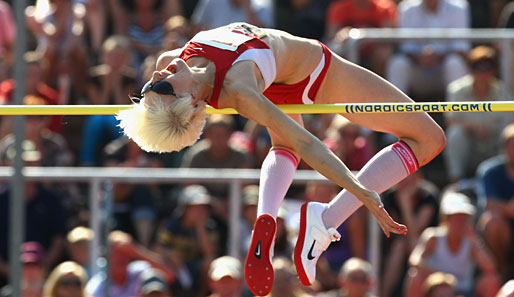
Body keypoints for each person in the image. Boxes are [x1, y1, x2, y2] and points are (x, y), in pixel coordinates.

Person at [116, 22, 446, 296]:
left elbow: (297, 142)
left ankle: (268, 217)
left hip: (273, 81)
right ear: (188, 97)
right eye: (163, 85)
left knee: (283, 143)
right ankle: (327, 219)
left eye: (151, 85)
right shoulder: (239, 90)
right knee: (430, 139)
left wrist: (157, 89)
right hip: (315, 76)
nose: (159, 74)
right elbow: (310, 145)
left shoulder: (173, 62)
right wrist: (362, 194)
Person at [405, 192, 501, 297]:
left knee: (492, 280)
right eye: (457, 217)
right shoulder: (433, 236)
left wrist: (475, 242)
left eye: (464, 217)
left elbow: (491, 268)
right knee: (414, 276)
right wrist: (441, 277)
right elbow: (414, 260)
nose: (462, 221)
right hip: (437, 288)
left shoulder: (471, 241)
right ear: (446, 219)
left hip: (463, 290)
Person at [444, 45, 512, 182]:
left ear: (494, 71)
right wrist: (473, 127)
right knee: (455, 134)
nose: (483, 74)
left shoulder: (503, 91)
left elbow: (511, 125)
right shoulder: (457, 90)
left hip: (495, 145)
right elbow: (451, 120)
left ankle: (507, 181)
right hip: (469, 146)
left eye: (488, 68)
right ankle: (456, 182)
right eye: (478, 68)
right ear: (470, 70)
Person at [385, 0, 470, 100]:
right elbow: (405, 47)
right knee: (398, 63)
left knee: (454, 62)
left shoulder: (459, 7)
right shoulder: (407, 8)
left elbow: (461, 48)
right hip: (417, 71)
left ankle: (457, 113)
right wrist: (420, 58)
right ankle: (394, 113)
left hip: (443, 72)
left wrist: (437, 57)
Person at [477, 123, 514, 280]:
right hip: (504, 227)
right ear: (505, 148)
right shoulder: (490, 170)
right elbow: (489, 204)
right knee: (492, 222)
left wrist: (504, 207)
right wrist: (509, 208)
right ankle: (502, 270)